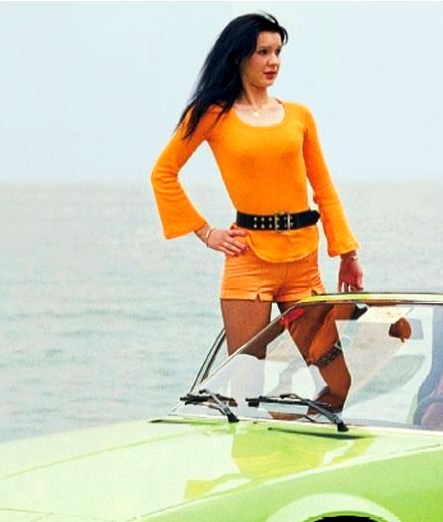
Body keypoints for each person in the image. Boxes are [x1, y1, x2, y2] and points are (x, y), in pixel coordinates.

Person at [150, 12, 363, 385]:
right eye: (263, 52)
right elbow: (163, 173)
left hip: (303, 261)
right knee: (246, 386)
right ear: (238, 57)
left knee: (335, 380)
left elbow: (323, 187)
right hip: (248, 262)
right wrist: (206, 233)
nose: (273, 61)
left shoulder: (299, 116)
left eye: (277, 52)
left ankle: (301, 424)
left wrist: (348, 254)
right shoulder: (211, 115)